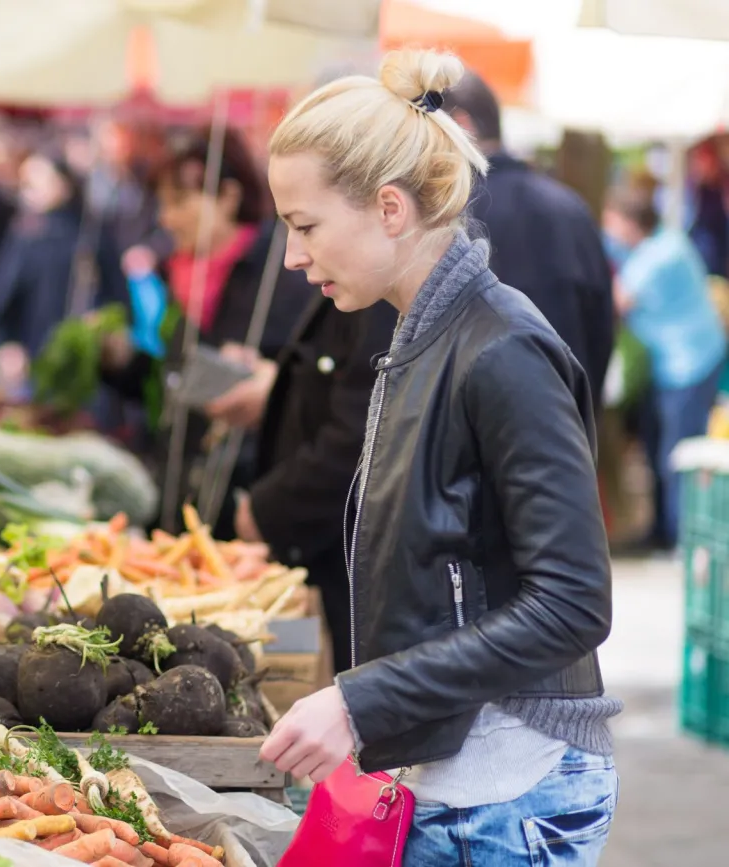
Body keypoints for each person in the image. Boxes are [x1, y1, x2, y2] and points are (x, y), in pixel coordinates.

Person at [258, 50, 620, 864]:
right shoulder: (424, 334)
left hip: (506, 798)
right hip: (459, 787)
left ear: (389, 207)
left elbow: (571, 603)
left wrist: (358, 702)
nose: (292, 256)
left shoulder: (504, 348)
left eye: (305, 225)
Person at [100, 128, 312, 535]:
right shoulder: (186, 278)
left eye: (179, 202)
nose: (166, 218)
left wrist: (269, 387)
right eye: (162, 204)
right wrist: (123, 362)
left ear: (229, 197)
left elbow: (309, 394)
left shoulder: (283, 277)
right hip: (183, 503)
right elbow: (176, 384)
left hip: (250, 512)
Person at [203, 272, 396, 674]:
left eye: (306, 226)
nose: (294, 257)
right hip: (328, 560)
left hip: (352, 571)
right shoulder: (362, 293)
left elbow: (359, 435)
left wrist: (268, 511)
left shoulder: (385, 304)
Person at [443, 71, 616, 411]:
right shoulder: (571, 207)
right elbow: (603, 326)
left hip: (479, 436)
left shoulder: (449, 215)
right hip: (567, 424)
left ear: (461, 126)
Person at [604, 184, 727, 550]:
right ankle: (661, 530)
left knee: (676, 453)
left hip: (690, 364)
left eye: (611, 224)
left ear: (630, 224)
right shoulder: (661, 244)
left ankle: (681, 540)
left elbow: (619, 300)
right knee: (659, 446)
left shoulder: (660, 254)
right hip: (680, 362)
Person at [0, 148, 128, 362]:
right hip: (35, 352)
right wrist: (4, 345)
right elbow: (0, 298)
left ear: (64, 183)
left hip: (88, 357)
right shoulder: (24, 236)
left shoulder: (90, 232)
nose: (29, 190)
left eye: (37, 181)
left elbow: (117, 294)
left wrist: (105, 322)